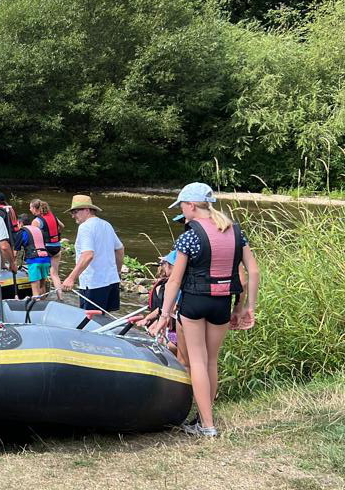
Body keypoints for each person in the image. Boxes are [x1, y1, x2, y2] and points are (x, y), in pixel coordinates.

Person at [148, 183, 259, 438]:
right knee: (211, 361)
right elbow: (251, 272)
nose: (182, 212)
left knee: (196, 361)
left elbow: (174, 281)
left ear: (190, 205)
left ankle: (207, 426)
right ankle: (204, 418)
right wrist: (246, 307)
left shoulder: (189, 236)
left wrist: (165, 315)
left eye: (182, 207)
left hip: (194, 303)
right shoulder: (235, 231)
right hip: (222, 303)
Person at [61, 195, 124, 312]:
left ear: (87, 210)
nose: (73, 215)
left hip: (93, 284)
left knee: (90, 323)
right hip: (111, 282)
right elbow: (120, 249)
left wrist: (71, 278)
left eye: (75, 211)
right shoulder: (106, 224)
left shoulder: (85, 227)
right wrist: (118, 272)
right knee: (105, 321)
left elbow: (88, 255)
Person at [138, 251, 187, 366]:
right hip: (178, 329)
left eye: (164, 264)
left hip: (175, 334)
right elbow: (163, 310)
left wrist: (157, 325)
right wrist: (148, 319)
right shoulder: (187, 283)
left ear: (171, 266)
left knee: (180, 359)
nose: (162, 267)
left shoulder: (172, 286)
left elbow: (170, 311)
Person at [29, 198, 65, 299]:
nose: (30, 210)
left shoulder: (36, 221)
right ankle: (60, 297)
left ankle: (41, 300)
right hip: (57, 247)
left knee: (41, 277)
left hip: (46, 248)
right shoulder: (53, 216)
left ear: (35, 209)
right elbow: (62, 226)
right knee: (54, 274)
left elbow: (32, 235)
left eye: (31, 207)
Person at [15, 214, 51, 298]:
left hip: (34, 260)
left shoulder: (22, 232)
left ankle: (37, 302)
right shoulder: (39, 230)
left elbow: (15, 252)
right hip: (46, 259)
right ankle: (43, 303)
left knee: (35, 286)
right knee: (42, 285)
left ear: (20, 223)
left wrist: (13, 264)